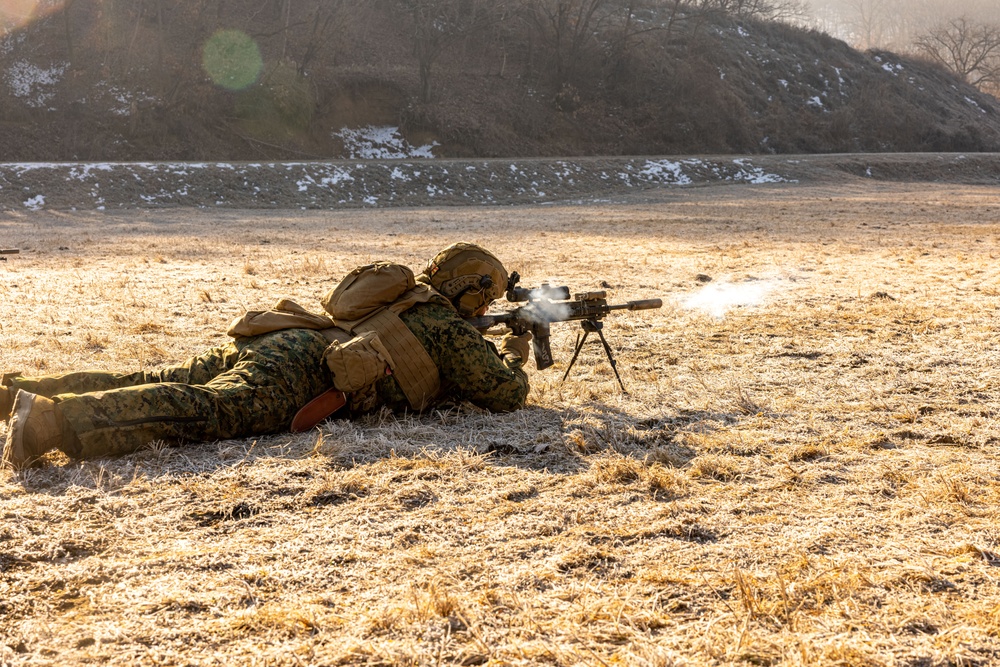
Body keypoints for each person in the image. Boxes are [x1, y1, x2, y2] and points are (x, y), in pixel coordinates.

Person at [2, 243, 531, 470]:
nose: (485, 308)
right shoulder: (445, 325)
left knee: (155, 375)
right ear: (468, 291)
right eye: (484, 298)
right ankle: (51, 420)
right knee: (211, 410)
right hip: (303, 369)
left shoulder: (406, 298)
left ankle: (17, 394)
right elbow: (506, 394)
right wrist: (515, 348)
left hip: (287, 337)